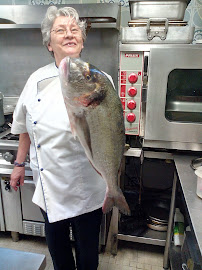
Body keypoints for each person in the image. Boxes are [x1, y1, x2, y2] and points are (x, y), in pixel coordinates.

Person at [10, 6, 111, 270]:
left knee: (87, 249)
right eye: (60, 30)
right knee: (57, 245)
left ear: (82, 40)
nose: (69, 34)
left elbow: (110, 134)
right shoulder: (35, 80)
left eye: (74, 29)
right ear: (49, 44)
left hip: (86, 186)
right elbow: (24, 125)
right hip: (50, 185)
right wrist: (19, 165)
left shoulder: (99, 80)